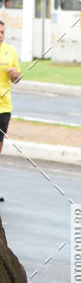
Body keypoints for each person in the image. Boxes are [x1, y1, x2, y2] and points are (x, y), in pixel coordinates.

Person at [0, 20, 22, 202]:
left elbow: (18, 78)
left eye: (2, 32)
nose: (0, 35)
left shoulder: (10, 51)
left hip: (4, 107)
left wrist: (15, 75)